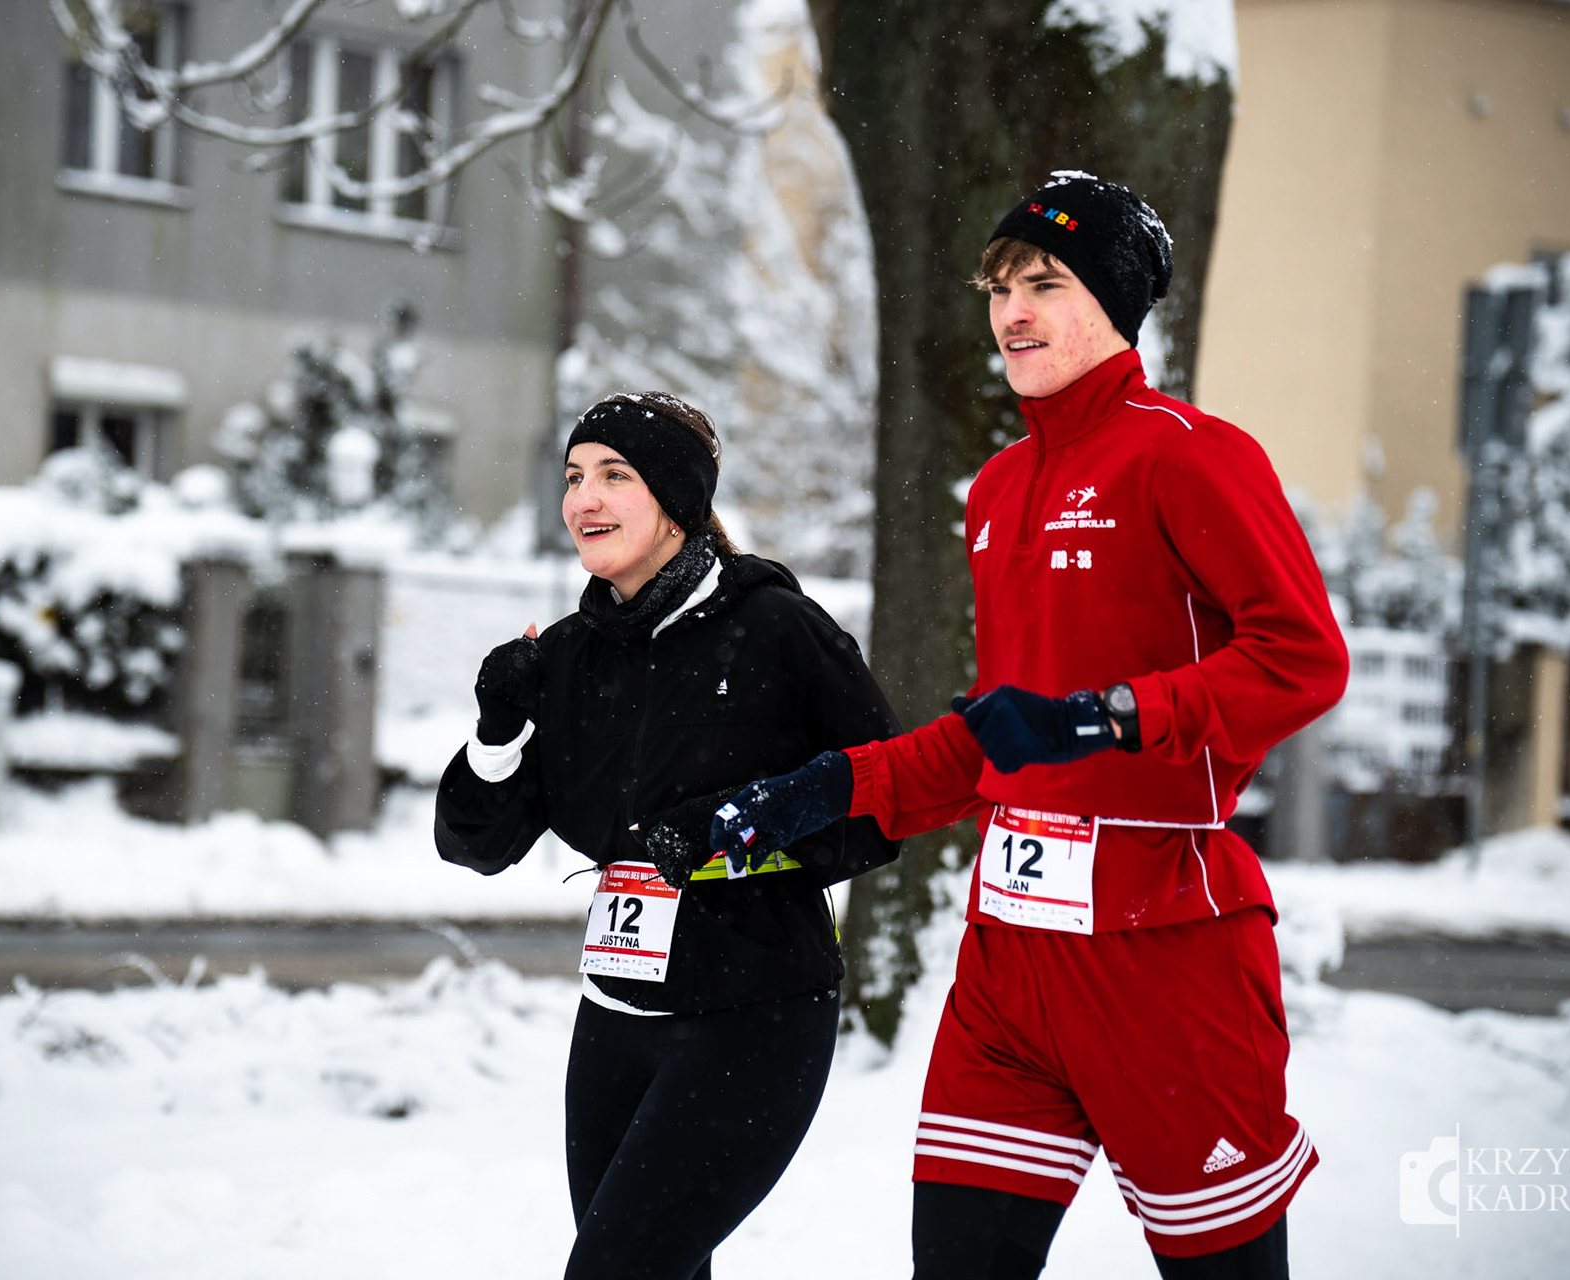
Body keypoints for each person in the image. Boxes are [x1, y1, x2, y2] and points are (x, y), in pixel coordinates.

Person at [710, 172, 1349, 1279]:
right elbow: (1004, 734)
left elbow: (1304, 658)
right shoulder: (1001, 487)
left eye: (1044, 283)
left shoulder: (1190, 453)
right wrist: (829, 787)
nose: (1012, 311)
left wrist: (1110, 717)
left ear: (1113, 300)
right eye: (999, 287)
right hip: (1007, 965)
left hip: (1163, 950)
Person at [434, 390, 900, 1280]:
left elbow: (885, 806)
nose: (585, 499)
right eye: (574, 476)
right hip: (614, 1013)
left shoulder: (777, 630)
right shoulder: (569, 653)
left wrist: (737, 835)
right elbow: (476, 845)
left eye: (615, 475)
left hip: (755, 1014)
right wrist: (496, 734)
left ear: (677, 499)